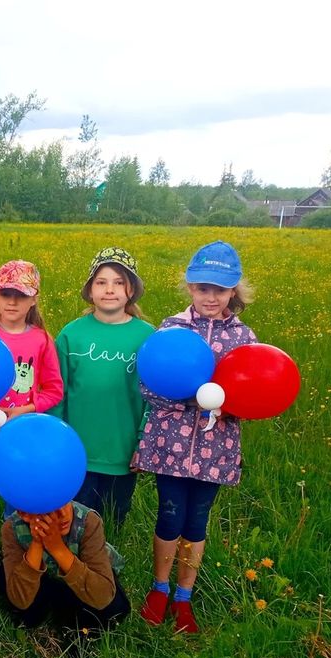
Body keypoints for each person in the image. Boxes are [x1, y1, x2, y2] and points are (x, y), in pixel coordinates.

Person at [133, 241, 257, 634]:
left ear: (233, 291)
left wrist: (228, 404)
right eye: (203, 288)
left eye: (219, 290)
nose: (210, 296)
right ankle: (159, 587)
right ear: (190, 287)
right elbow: (148, 385)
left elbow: (253, 395)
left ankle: (184, 598)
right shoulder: (171, 329)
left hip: (215, 450)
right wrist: (193, 397)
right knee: (169, 516)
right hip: (170, 444)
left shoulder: (243, 336)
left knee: (198, 521)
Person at [0, 260, 63, 581]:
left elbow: (54, 391)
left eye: (20, 295)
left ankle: (14, 564)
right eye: (5, 293)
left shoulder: (41, 340)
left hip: (21, 440)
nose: (12, 301)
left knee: (17, 507)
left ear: (33, 300)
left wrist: (21, 412)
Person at [50, 247, 154, 529]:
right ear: (90, 289)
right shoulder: (72, 334)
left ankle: (107, 573)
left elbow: (153, 399)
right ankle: (73, 572)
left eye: (119, 282)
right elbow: (57, 392)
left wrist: (144, 443)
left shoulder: (147, 336)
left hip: (123, 453)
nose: (110, 290)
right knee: (73, 525)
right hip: (78, 452)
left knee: (112, 524)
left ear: (130, 290)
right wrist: (58, 440)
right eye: (102, 282)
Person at [0, 500, 130, 636]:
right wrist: (37, 543)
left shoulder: (88, 522)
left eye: (63, 502)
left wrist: (57, 548)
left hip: (80, 579)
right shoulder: (12, 528)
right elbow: (20, 601)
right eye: (50, 510)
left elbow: (103, 597)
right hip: (46, 580)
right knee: (24, 612)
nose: (62, 514)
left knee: (113, 610)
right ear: (25, 514)